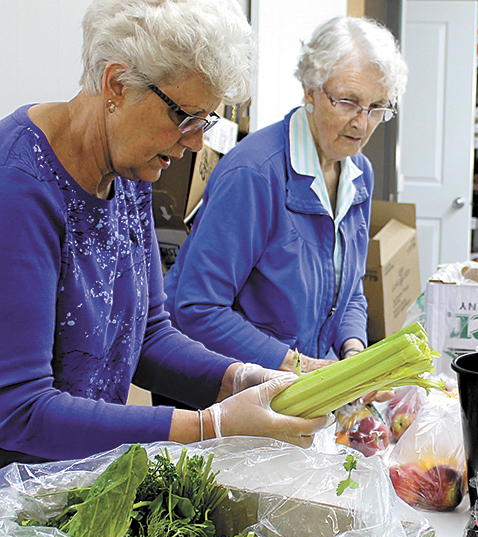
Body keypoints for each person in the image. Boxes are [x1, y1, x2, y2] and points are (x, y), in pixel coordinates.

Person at [0, 0, 333, 468]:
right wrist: (206, 427)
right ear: (116, 85)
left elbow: (148, 337)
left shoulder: (130, 168)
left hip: (76, 483)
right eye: (186, 118)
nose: (196, 142)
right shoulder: (19, 186)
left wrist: (240, 379)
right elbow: (18, 410)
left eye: (206, 121)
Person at [162, 16, 407, 377]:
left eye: (377, 107)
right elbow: (198, 308)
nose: (362, 123)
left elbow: (349, 287)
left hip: (295, 381)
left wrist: (353, 349)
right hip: (226, 385)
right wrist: (300, 366)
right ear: (310, 90)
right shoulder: (254, 173)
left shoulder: (358, 174)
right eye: (348, 102)